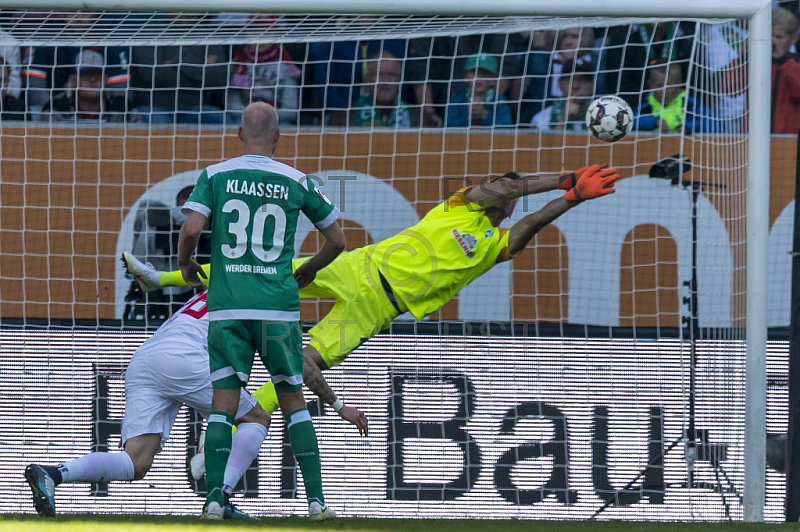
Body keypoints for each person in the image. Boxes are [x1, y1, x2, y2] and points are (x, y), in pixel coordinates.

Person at [126, 162, 619, 470]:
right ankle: (160, 277)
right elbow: (497, 190)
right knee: (260, 269)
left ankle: (227, 440)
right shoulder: (460, 206)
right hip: (357, 267)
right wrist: (562, 178)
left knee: (301, 363)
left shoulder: (495, 247)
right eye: (504, 184)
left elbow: (529, 222)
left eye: (508, 187)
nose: (502, 189)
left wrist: (571, 198)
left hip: (380, 310)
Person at [24, 288, 367, 520]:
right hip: (185, 358)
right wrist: (339, 406)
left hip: (146, 358)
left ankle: (53, 474)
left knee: (137, 462)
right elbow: (301, 365)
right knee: (258, 417)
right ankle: (221, 497)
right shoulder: (261, 301)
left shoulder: (219, 288)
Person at [177, 102, 346, 520]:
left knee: (223, 403)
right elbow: (339, 241)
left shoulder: (215, 175)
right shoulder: (297, 180)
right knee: (292, 401)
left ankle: (214, 498)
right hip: (277, 310)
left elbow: (192, 229)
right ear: (278, 137)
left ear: (238, 134)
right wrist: (309, 268)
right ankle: (317, 503)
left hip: (229, 309)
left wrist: (185, 263)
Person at [333, 50, 416, 128]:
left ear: (400, 80)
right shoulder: (342, 118)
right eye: (379, 74)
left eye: (392, 74)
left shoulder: (419, 118)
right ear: (367, 80)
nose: (385, 81)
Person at [45, 49, 127, 122]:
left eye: (98, 74)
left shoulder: (122, 107)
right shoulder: (55, 108)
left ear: (106, 79)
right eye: (86, 74)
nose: (93, 79)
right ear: (73, 80)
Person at [633, 62, 710, 134]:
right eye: (659, 86)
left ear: (679, 84)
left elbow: (714, 123)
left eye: (669, 86)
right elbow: (629, 122)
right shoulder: (644, 107)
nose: (664, 91)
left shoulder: (690, 104)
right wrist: (653, 122)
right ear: (650, 84)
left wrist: (688, 127)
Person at [445, 53, 512, 127]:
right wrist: (468, 119)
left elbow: (506, 128)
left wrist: (484, 115)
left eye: (485, 74)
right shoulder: (457, 100)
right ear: (466, 77)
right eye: (475, 73)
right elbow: (448, 125)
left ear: (493, 80)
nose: (479, 78)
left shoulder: (500, 102)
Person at [529, 58, 595, 131]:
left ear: (592, 85)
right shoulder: (542, 118)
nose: (576, 86)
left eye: (582, 80)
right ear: (560, 84)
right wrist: (563, 118)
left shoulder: (602, 116)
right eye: (570, 79)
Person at [771, 7, 800, 134]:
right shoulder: (755, 63)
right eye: (769, 36)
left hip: (789, 141)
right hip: (753, 138)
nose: (772, 42)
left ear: (793, 38)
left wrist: (783, 61)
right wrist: (742, 58)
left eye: (779, 37)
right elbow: (729, 89)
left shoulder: (795, 64)